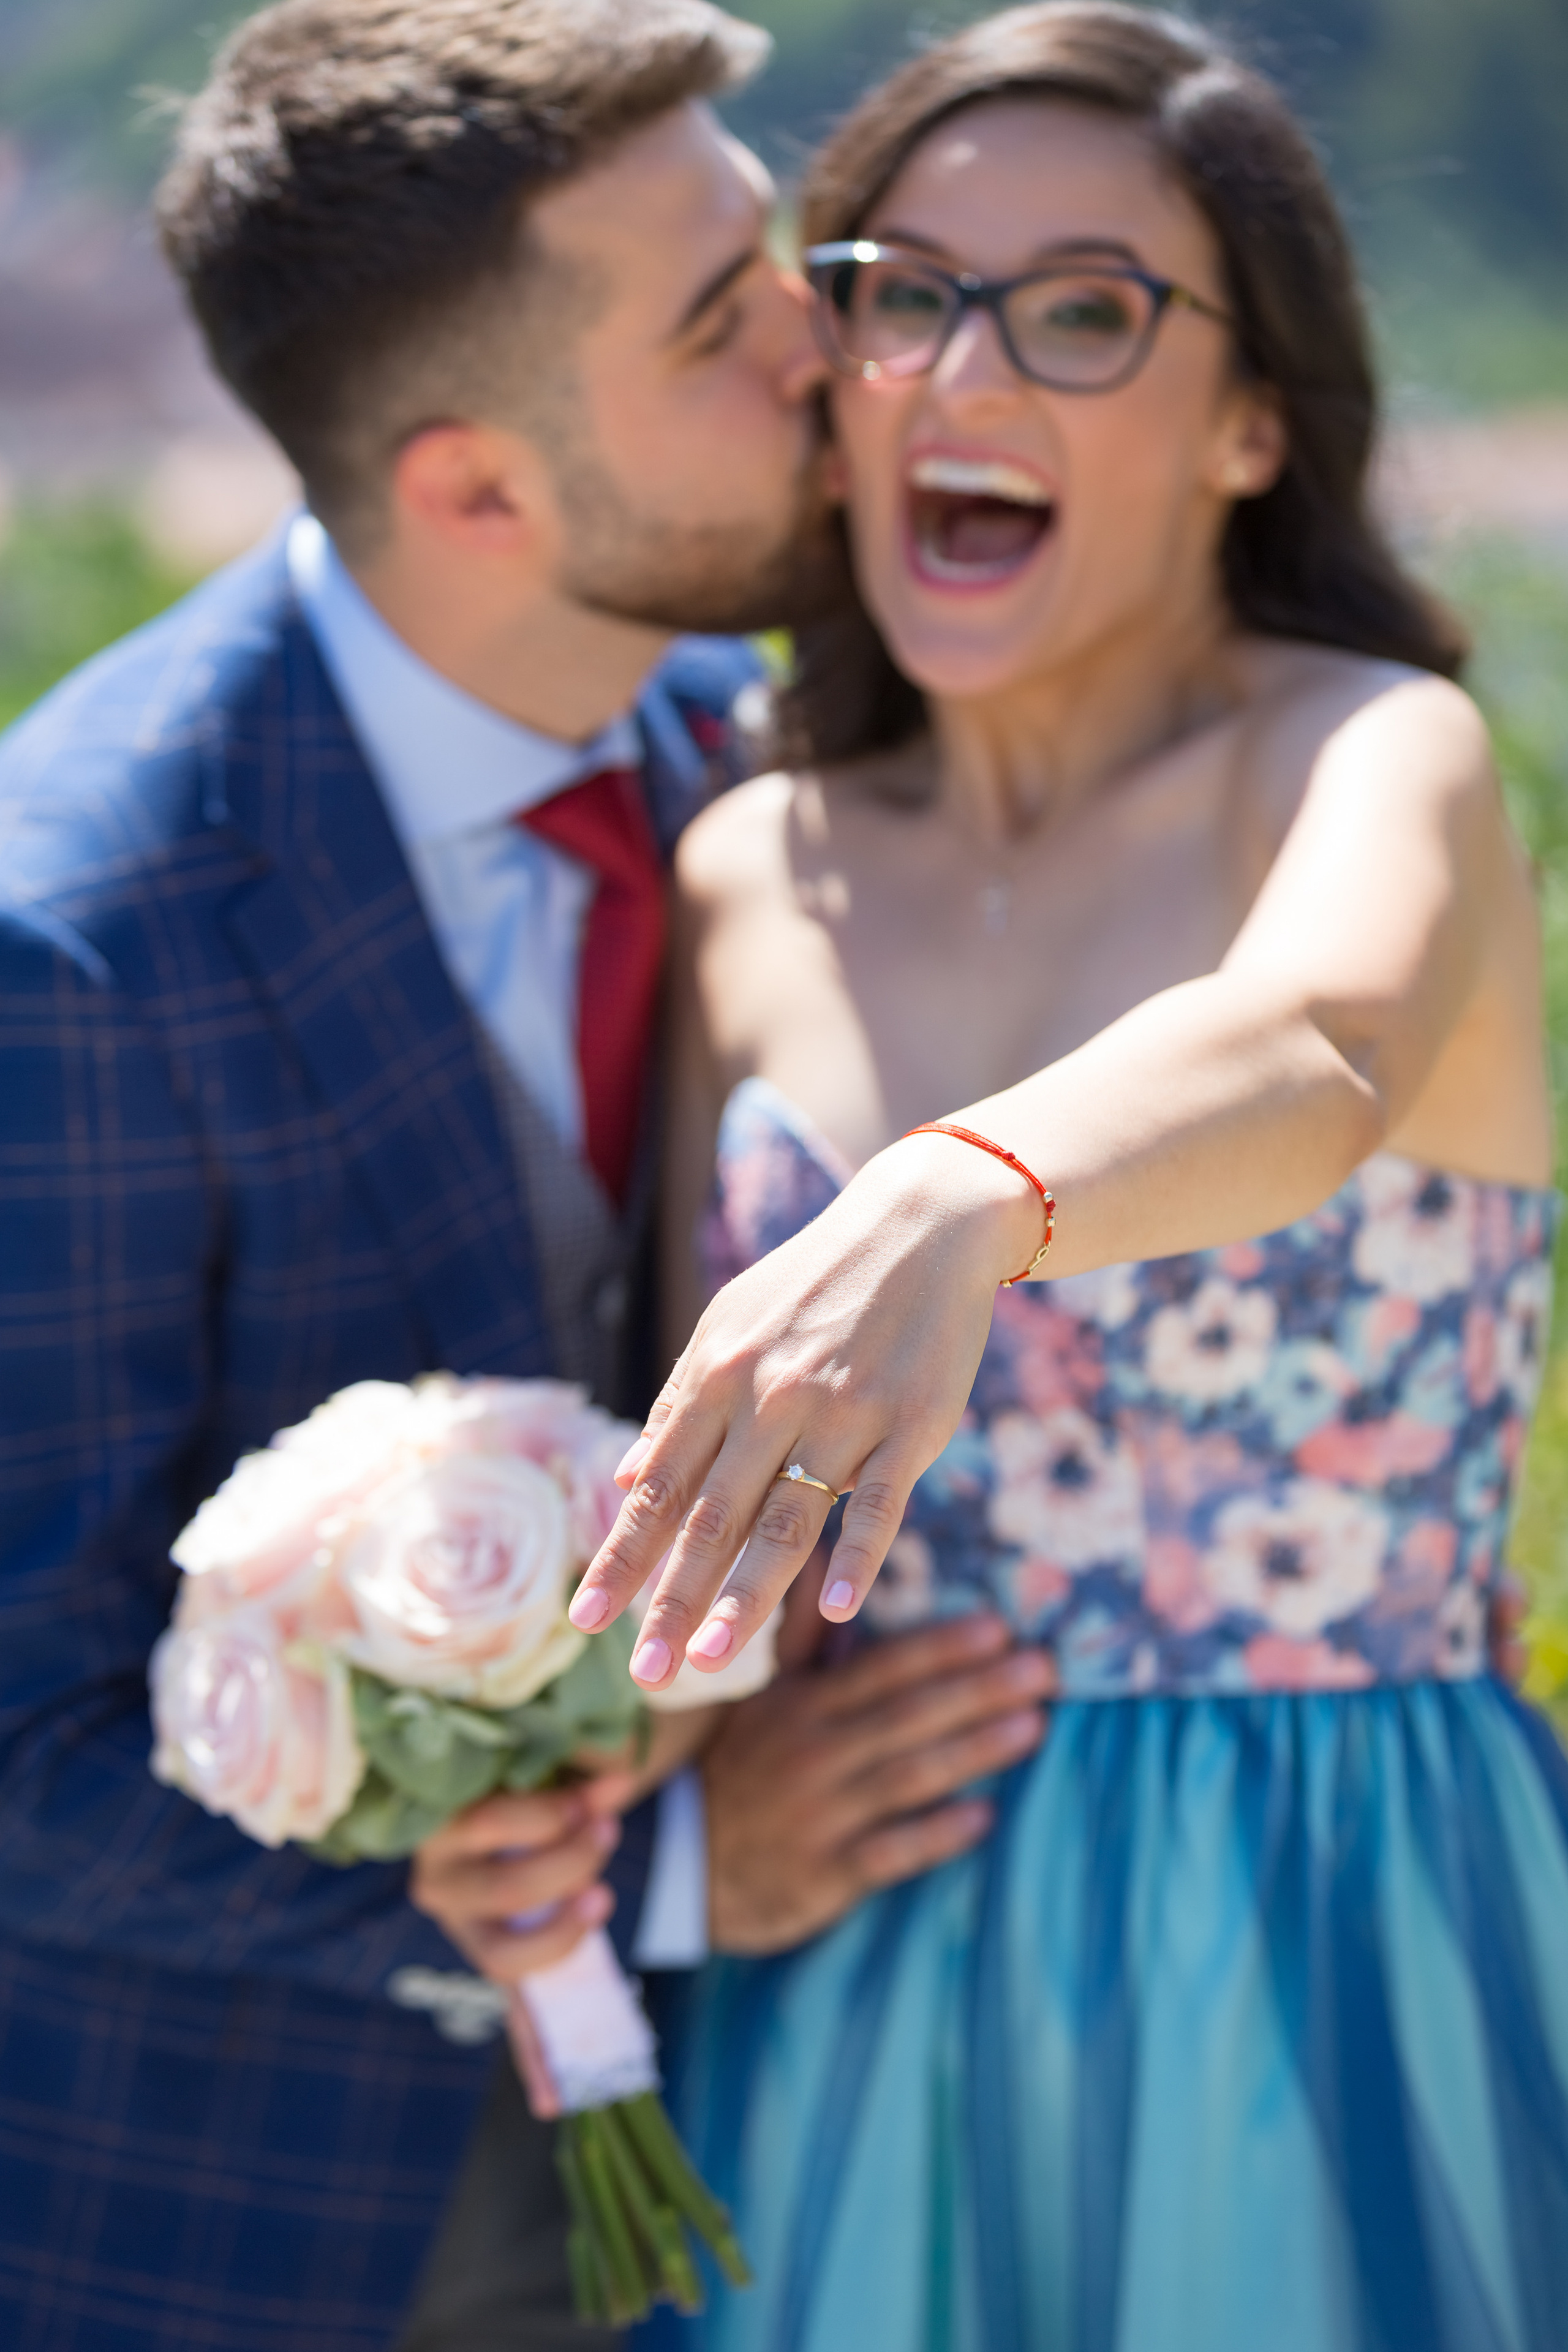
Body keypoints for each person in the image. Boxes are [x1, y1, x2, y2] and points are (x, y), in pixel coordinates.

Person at [0, 6, 1057, 2348]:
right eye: (723, 319)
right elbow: (16, 1744)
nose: (830, 338)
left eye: (779, 257)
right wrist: (669, 1859)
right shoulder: (71, 942)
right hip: (246, 2232)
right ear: (480, 491)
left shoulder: (750, 751)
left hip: (791, 2159)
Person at [586, 8, 1568, 2346]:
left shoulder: (1374, 757)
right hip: (854, 1982)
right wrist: (676, 1819)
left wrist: (961, 1185)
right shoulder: (737, 863)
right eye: (901, 290)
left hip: (1335, 1929)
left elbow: (1318, 1042)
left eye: (1085, 310)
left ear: (1254, 423)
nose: (956, 369)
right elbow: (681, 1493)